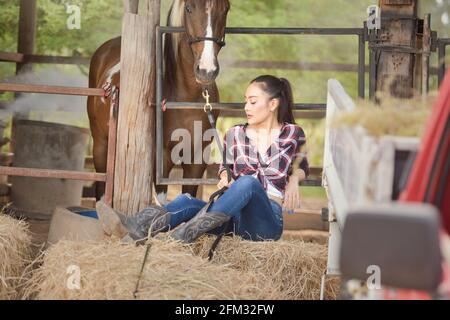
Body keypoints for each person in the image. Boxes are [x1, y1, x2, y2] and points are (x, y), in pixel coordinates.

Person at [96, 75, 310, 243]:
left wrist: (293, 180)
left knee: (249, 182)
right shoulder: (234, 134)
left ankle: (188, 233)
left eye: (253, 102)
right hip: (234, 217)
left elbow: (302, 166)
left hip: (266, 222)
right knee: (186, 202)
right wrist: (225, 176)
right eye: (245, 101)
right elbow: (225, 169)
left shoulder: (293, 133)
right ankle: (137, 225)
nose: (246, 107)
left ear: (273, 104)